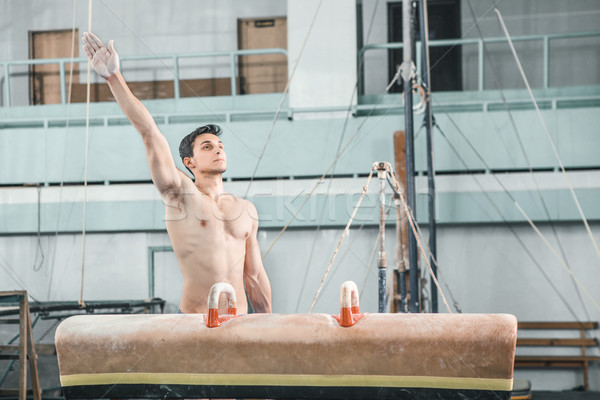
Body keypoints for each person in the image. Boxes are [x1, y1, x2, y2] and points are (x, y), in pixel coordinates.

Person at [82, 32, 272, 314]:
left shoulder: (247, 210)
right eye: (207, 146)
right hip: (195, 322)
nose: (218, 150)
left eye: (220, 145)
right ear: (189, 162)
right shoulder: (181, 195)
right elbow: (150, 133)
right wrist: (114, 78)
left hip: (240, 321)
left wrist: (269, 326)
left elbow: (254, 277)